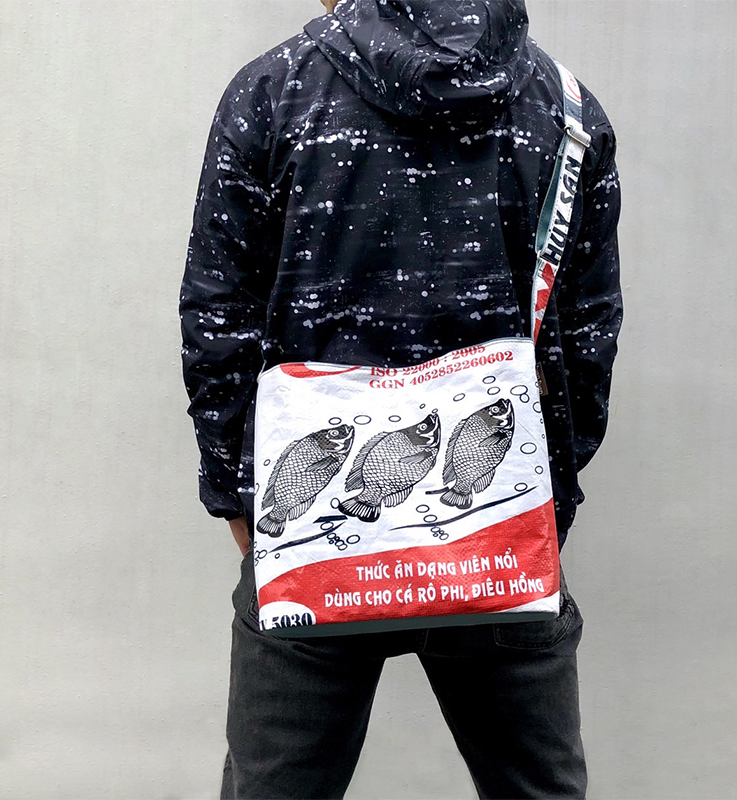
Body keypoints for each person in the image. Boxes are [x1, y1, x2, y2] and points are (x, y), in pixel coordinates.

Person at [180, 0, 621, 796]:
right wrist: (545, 497)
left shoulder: (272, 91)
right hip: (496, 532)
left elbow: (218, 320)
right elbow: (589, 330)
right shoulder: (568, 109)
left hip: (312, 539)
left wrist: (242, 500)